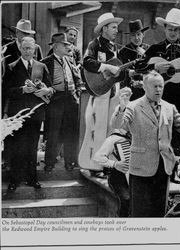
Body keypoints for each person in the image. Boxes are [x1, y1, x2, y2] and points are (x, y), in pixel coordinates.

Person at [110, 70, 180, 217]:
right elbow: (117, 125)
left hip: (164, 169)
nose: (158, 89)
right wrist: (121, 107)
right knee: (139, 214)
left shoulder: (169, 107)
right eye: (154, 86)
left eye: (161, 86)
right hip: (140, 168)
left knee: (159, 212)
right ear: (145, 87)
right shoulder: (133, 106)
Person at [133, 8, 180, 156]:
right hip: (159, 97)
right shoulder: (155, 49)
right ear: (165, 28)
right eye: (170, 29)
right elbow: (138, 66)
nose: (173, 33)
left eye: (176, 30)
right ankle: (156, 171)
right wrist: (154, 66)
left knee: (177, 132)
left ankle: (175, 171)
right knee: (157, 131)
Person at [2, 37, 52, 191]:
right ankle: (14, 180)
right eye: (25, 48)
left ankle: (32, 179)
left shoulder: (41, 66)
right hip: (18, 115)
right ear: (20, 49)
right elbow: (5, 91)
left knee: (32, 147)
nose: (28, 51)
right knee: (17, 147)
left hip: (36, 113)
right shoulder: (11, 66)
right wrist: (22, 90)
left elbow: (51, 89)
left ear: (35, 49)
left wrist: (46, 90)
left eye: (30, 48)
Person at [79, 12, 123, 172]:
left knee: (111, 127)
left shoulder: (114, 47)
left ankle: (107, 165)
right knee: (98, 127)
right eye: (113, 27)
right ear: (104, 28)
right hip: (99, 91)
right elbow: (86, 62)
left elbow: (117, 70)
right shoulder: (94, 44)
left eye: (116, 27)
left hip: (112, 90)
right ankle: (95, 166)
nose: (116, 30)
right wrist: (106, 67)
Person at [41, 33, 83, 172]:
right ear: (56, 46)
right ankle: (49, 162)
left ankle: (70, 162)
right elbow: (40, 83)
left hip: (71, 100)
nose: (68, 46)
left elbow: (77, 78)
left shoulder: (70, 60)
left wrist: (77, 91)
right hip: (55, 100)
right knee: (54, 132)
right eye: (65, 45)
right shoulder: (45, 62)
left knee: (71, 131)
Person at [93, 126, 131, 217]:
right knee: (126, 199)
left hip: (134, 179)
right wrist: (115, 164)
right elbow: (97, 157)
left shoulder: (139, 137)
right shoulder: (114, 139)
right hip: (118, 179)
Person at [119, 19, 149, 101]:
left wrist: (145, 55)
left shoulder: (149, 49)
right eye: (133, 35)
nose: (136, 38)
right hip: (128, 92)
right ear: (130, 36)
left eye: (139, 34)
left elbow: (154, 69)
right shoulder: (123, 51)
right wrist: (129, 72)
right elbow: (119, 70)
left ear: (143, 34)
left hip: (146, 92)